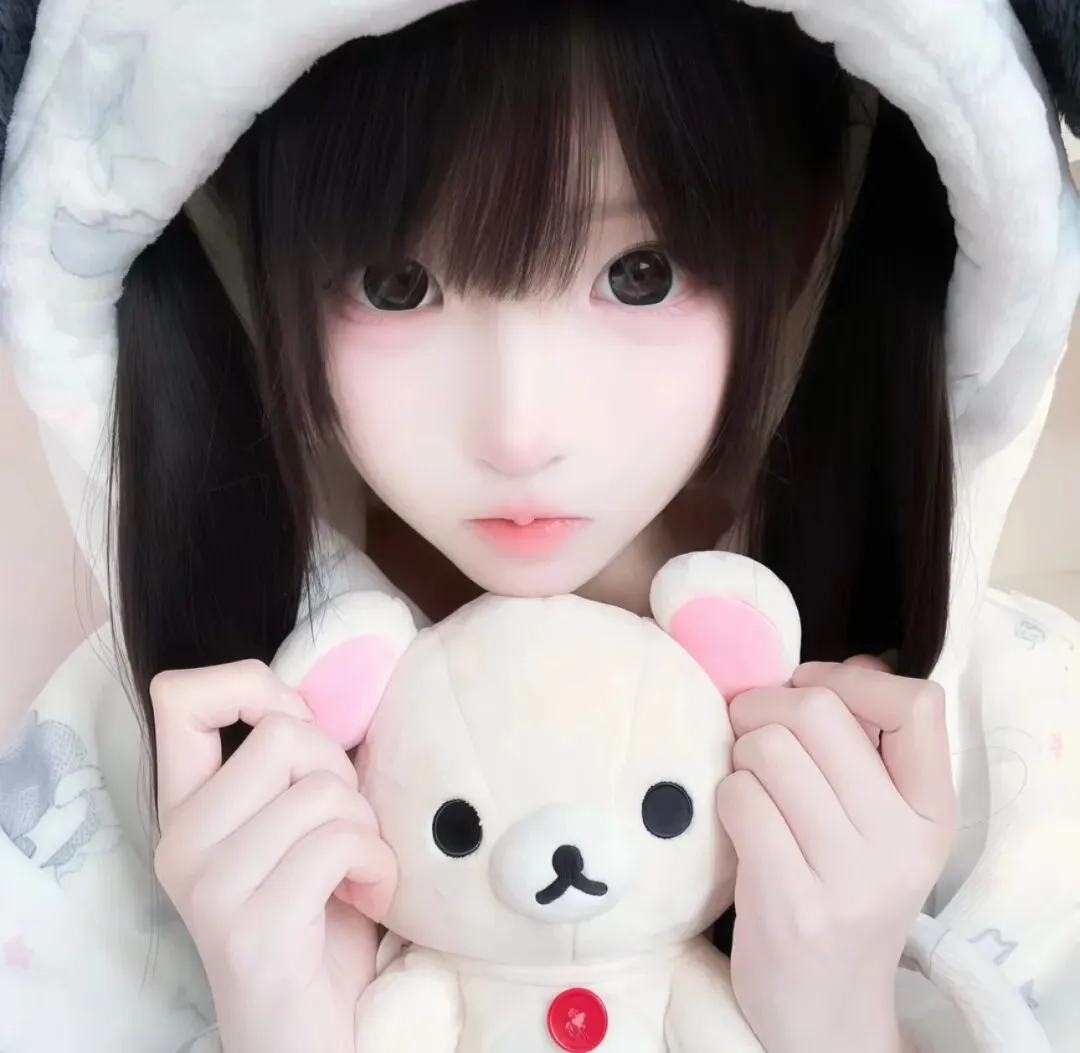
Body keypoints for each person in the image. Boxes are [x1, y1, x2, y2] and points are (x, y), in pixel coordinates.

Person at [0, 0, 1078, 1051]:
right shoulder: (134, 764)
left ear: (800, 242)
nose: (520, 430)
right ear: (249, 262)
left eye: (640, 274)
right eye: (396, 282)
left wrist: (846, 1027)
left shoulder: (1016, 734)